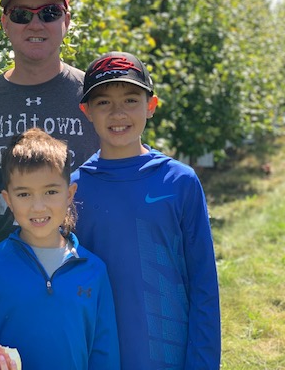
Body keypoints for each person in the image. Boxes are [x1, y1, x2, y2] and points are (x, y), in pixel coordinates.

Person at [71, 51, 221, 369]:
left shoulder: (179, 181)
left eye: (130, 100)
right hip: (97, 357)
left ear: (150, 107)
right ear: (86, 111)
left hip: (167, 355)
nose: (117, 113)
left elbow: (204, 283)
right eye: (103, 103)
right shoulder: (73, 189)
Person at [0, 0, 99, 239]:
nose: (35, 24)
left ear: (66, 21)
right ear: (5, 23)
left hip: (86, 268)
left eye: (49, 13)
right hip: (1, 272)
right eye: (21, 15)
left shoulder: (94, 96)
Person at [0, 128, 120, 369]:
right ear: (8, 199)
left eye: (50, 192)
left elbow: (104, 356)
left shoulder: (93, 270)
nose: (38, 206)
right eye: (24, 194)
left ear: (69, 194)